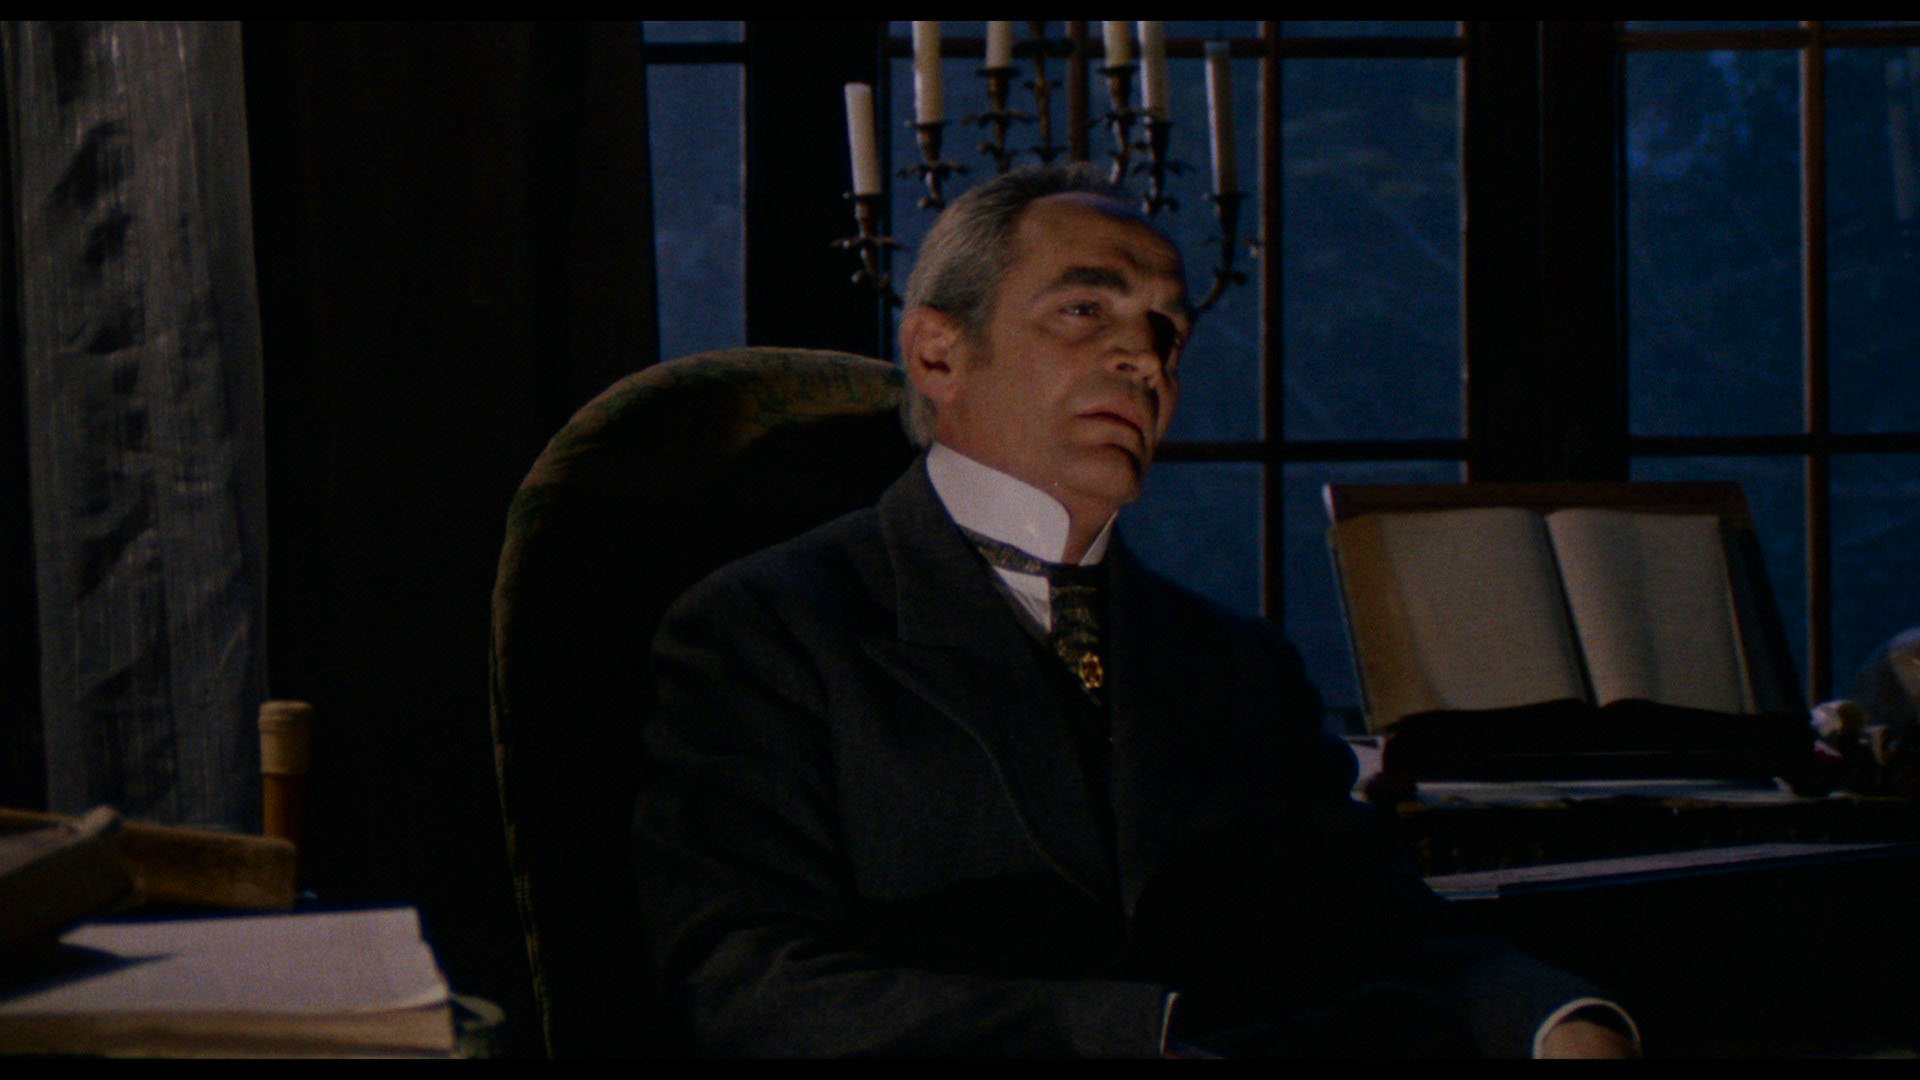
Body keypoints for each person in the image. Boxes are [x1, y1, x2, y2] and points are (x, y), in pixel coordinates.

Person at [631, 163, 1638, 1058]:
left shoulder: (1239, 666)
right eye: (1084, 311)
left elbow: (1382, 930)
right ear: (938, 356)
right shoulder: (762, 630)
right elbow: (742, 985)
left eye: (1169, 332)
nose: (1146, 361)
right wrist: (1132, 1038)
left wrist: (1554, 1021)